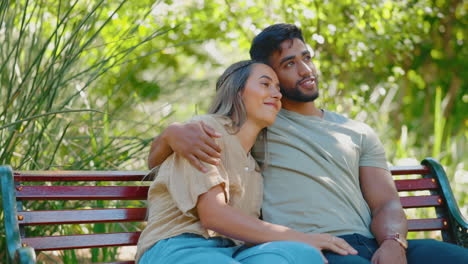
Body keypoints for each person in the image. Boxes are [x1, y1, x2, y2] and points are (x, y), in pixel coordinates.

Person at [146, 24, 468, 263]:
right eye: (287, 65)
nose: (304, 70)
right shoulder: (258, 125)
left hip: (375, 242)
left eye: (306, 58)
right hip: (320, 249)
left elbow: (386, 203)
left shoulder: (357, 132)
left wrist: (394, 243)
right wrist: (171, 133)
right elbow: (208, 129)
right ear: (266, 79)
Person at [137, 60, 356, 264]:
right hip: (177, 246)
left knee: (303, 254)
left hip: (231, 252)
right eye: (265, 84)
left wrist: (300, 244)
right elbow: (213, 215)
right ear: (237, 90)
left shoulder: (253, 165)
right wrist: (302, 237)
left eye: (278, 88)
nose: (276, 94)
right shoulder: (204, 132)